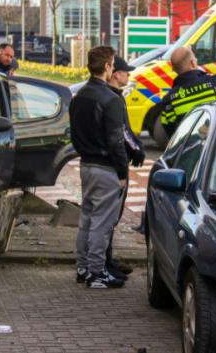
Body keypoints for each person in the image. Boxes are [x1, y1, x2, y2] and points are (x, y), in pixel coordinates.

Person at [70, 45, 128, 289]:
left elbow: (73, 133)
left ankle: (83, 267)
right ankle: (96, 272)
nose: (114, 67)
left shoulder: (79, 95)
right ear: (106, 66)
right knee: (102, 223)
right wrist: (123, 172)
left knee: (87, 218)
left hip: (86, 165)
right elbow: (116, 140)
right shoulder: (111, 99)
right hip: (106, 168)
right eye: (112, 63)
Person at [103, 56, 145, 280]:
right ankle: (104, 263)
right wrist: (137, 149)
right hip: (113, 166)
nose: (128, 75)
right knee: (109, 216)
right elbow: (120, 133)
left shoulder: (110, 96)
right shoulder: (113, 98)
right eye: (125, 72)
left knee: (107, 217)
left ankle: (107, 259)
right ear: (115, 73)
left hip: (108, 163)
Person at [160, 46, 216, 136]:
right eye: (195, 59)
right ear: (192, 63)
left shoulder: (169, 100)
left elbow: (170, 130)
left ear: (173, 69)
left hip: (189, 147)